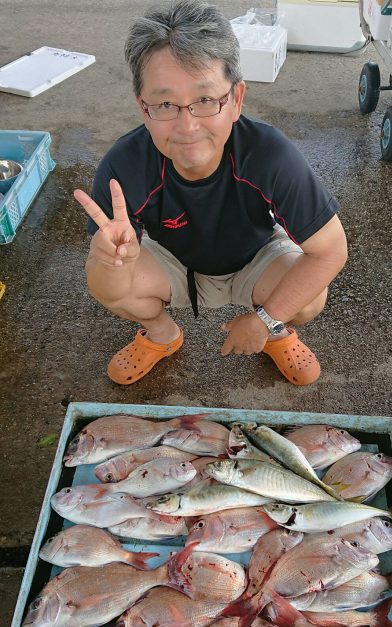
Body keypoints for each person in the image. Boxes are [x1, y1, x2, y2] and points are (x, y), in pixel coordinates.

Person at [74, 0, 348, 387]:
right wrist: (112, 263)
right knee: (100, 273)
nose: (187, 126)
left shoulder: (270, 154)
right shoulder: (123, 165)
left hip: (256, 257)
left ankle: (276, 332)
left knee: (310, 298)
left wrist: (263, 319)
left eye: (205, 100)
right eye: (166, 103)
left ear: (236, 99)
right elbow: (109, 288)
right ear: (143, 107)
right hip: (173, 261)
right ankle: (162, 334)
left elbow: (331, 251)